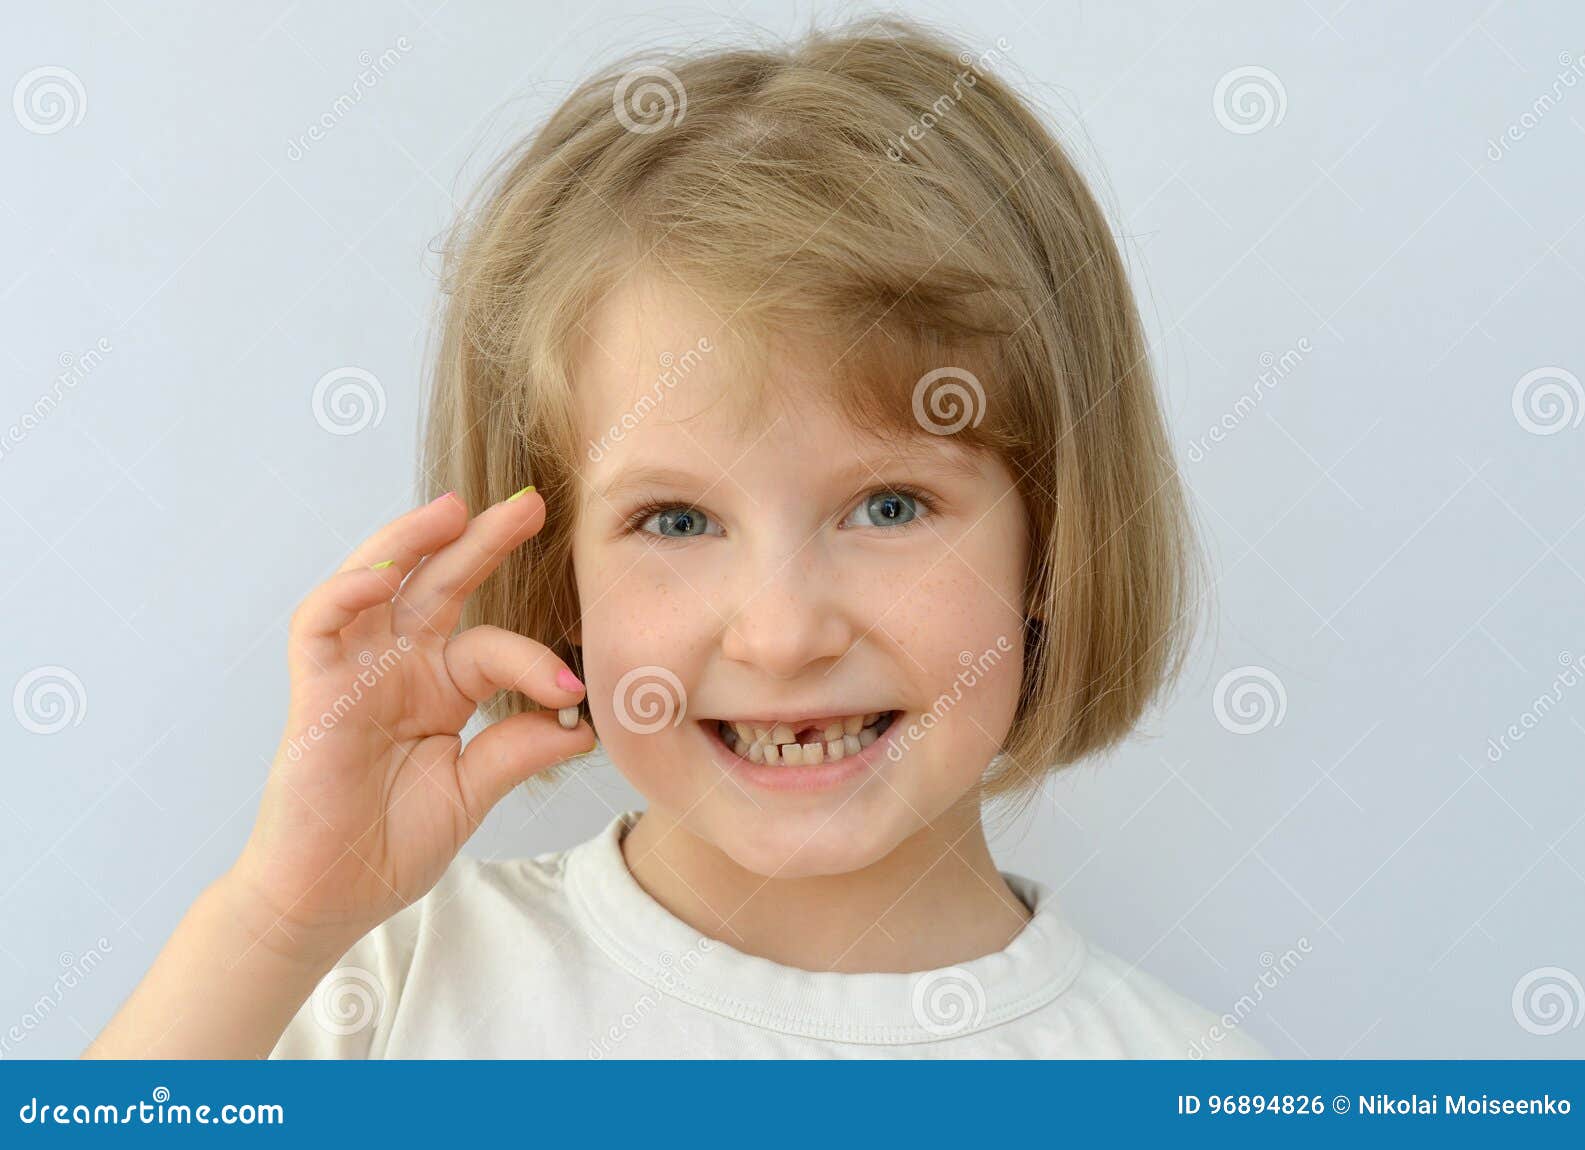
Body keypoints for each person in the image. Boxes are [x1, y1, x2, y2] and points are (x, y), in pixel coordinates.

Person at [86, 14, 1269, 1059]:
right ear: (557, 585)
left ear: (1054, 543)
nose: (783, 631)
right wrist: (276, 918)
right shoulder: (379, 998)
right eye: (677, 518)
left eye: (890, 506)